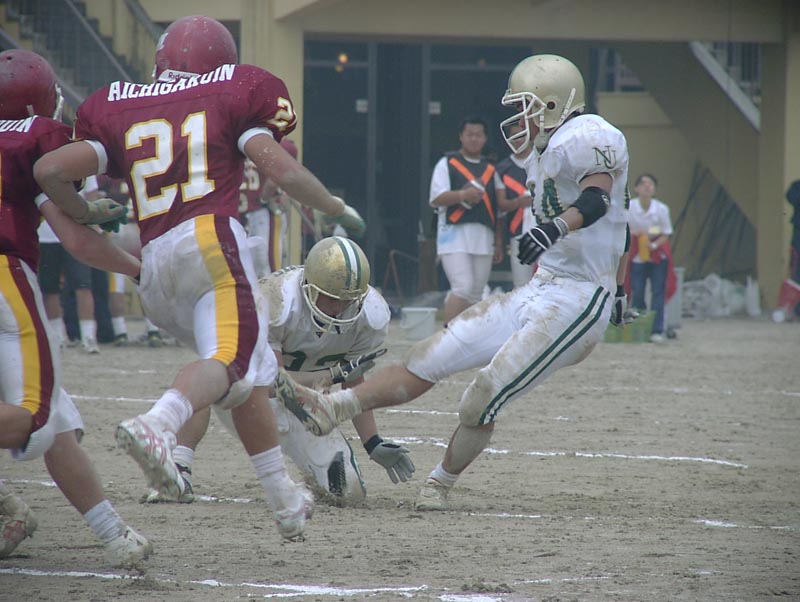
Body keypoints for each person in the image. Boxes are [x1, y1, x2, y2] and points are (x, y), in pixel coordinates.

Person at [34, 15, 365, 541]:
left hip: (155, 265)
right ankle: (159, 423)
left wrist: (85, 210)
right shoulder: (235, 91)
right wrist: (333, 206)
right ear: (221, 61)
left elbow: (50, 170)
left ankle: (281, 495)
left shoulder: (117, 103)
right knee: (232, 362)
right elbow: (280, 169)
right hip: (210, 243)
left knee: (248, 375)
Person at [273, 53, 632, 511]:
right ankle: (331, 408)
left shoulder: (588, 134)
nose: (517, 119)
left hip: (579, 298)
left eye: (523, 107)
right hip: (544, 287)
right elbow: (623, 227)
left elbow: (599, 200)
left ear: (551, 104)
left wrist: (558, 231)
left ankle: (439, 483)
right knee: (430, 355)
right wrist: (623, 286)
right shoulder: (545, 152)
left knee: (482, 396)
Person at [0, 48, 151, 566]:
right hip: (5, 279)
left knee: (58, 420)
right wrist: (138, 269)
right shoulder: (32, 139)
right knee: (35, 416)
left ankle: (112, 534)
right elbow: (78, 240)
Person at [145, 236, 413, 504]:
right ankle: (179, 467)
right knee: (213, 372)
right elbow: (271, 383)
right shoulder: (276, 301)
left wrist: (372, 442)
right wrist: (330, 375)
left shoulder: (369, 316)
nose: (340, 308)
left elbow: (354, 383)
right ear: (309, 286)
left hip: (306, 410)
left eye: (349, 300)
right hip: (249, 401)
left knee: (347, 493)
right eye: (332, 299)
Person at [430, 116, 504, 323]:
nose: (474, 139)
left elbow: (500, 210)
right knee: (462, 287)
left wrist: (499, 242)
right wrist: (463, 195)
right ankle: (447, 335)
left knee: (476, 292)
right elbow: (436, 198)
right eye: (469, 134)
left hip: (484, 236)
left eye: (478, 135)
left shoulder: (491, 169)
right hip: (453, 235)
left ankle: (467, 336)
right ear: (461, 137)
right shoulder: (447, 163)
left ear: (485, 138)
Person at [36, 176, 103, 353]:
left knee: (83, 285)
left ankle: (88, 336)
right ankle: (58, 336)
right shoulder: (35, 163)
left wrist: (93, 223)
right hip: (45, 235)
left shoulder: (81, 164)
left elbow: (92, 194)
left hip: (76, 233)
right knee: (50, 288)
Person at [627, 173, 674, 342]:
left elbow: (665, 232)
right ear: (636, 188)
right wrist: (635, 233)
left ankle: (657, 329)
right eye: (643, 183)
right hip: (637, 255)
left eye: (651, 184)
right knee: (637, 291)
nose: (647, 187)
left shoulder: (661, 209)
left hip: (656, 254)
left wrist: (652, 243)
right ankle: (639, 327)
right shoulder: (630, 207)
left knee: (658, 292)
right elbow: (623, 228)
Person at [495, 123, 536, 288]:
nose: (518, 140)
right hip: (517, 233)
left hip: (546, 230)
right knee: (522, 285)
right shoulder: (502, 169)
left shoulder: (542, 159)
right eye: (514, 136)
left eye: (522, 135)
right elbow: (500, 205)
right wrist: (518, 202)